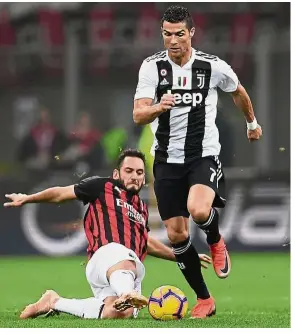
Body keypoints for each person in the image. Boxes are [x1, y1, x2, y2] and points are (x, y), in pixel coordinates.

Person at [133, 5, 262, 318]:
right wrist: (159, 107)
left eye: (179, 33)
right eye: (167, 33)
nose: (173, 40)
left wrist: (251, 123)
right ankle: (204, 299)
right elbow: (138, 114)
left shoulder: (211, 66)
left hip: (202, 154)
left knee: (199, 209)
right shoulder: (152, 68)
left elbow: (238, 91)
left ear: (191, 33)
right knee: (177, 235)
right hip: (164, 160)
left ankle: (216, 241)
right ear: (161, 34)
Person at [4, 148, 211, 320]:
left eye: (139, 173)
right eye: (129, 170)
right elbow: (60, 194)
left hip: (125, 269)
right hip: (105, 257)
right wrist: (29, 198)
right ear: (116, 174)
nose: (135, 176)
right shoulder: (103, 186)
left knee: (121, 313)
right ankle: (126, 293)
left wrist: (181, 256)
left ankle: (54, 301)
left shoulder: (141, 207)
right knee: (122, 257)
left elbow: (144, 241)